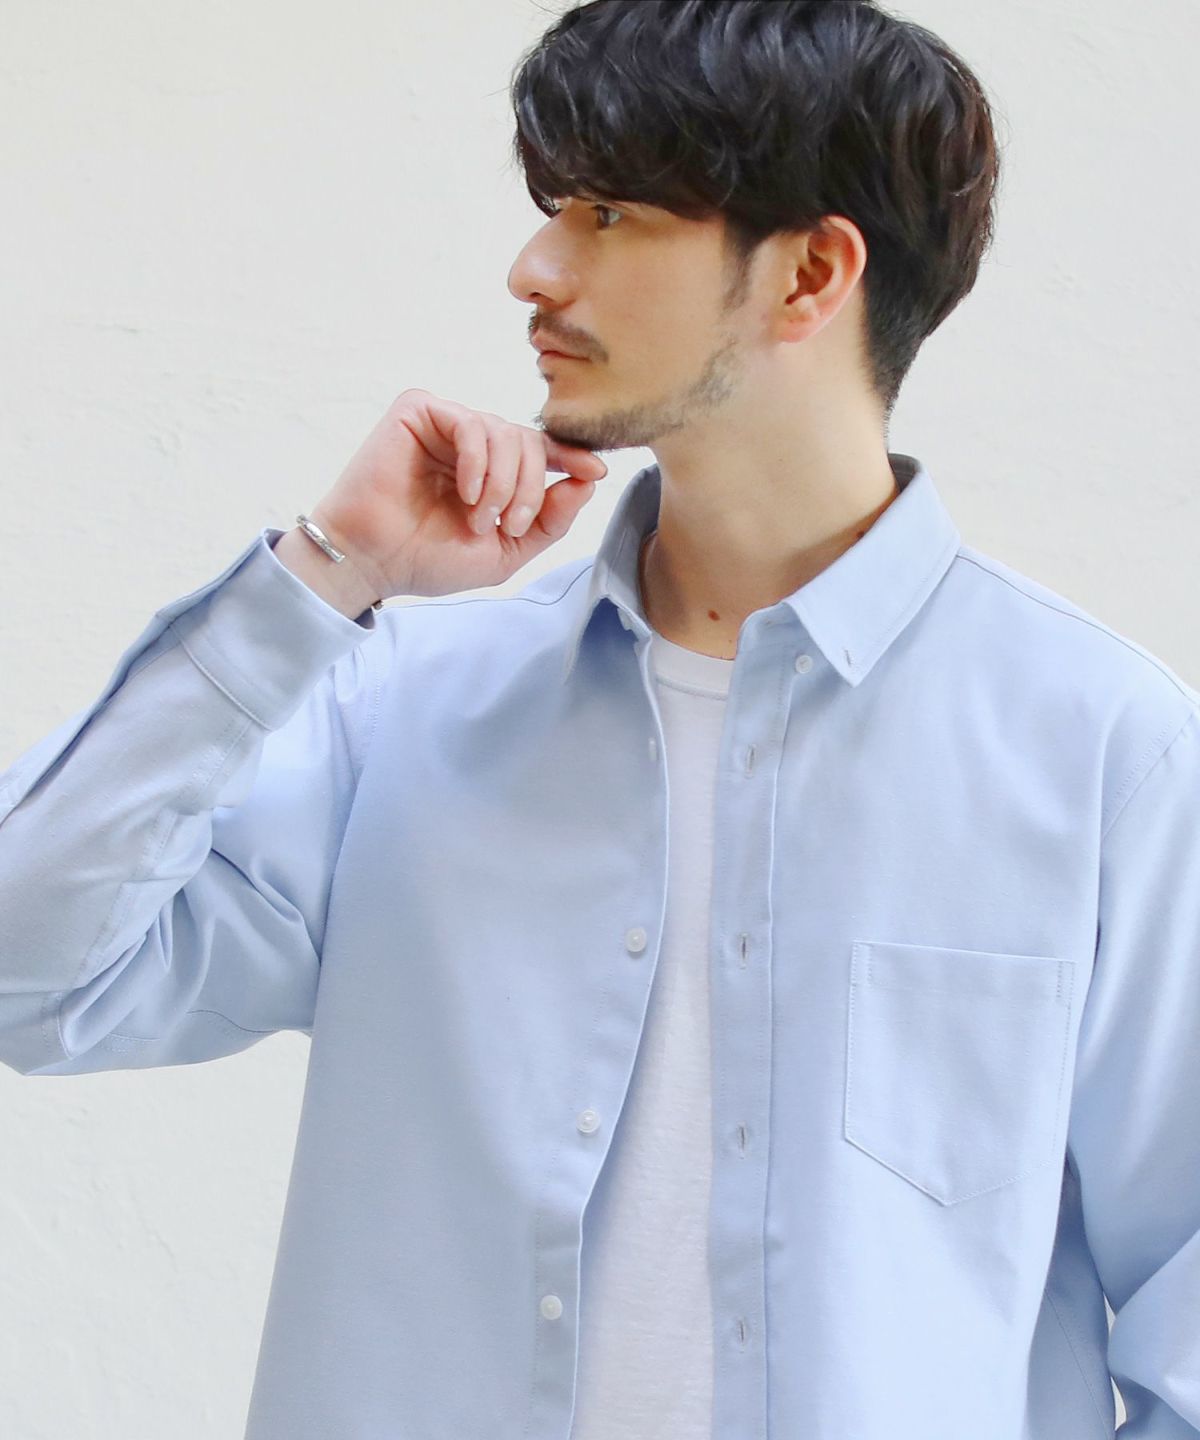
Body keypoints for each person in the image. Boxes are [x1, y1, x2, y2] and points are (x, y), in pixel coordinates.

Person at [1, 2, 1197, 1437]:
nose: (533, 267)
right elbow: (32, 977)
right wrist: (325, 576)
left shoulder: (1105, 752)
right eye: (554, 207)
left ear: (811, 273)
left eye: (609, 213)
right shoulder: (407, 703)